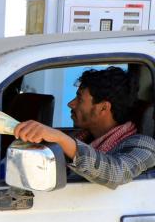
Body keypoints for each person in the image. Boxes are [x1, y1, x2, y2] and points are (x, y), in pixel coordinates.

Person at [13, 66, 155, 189]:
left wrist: (61, 139)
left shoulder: (143, 146)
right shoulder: (83, 136)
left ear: (103, 108)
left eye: (79, 99)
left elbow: (116, 173)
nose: (71, 104)